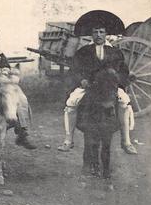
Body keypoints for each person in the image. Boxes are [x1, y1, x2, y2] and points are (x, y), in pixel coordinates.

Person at [58, 14, 137, 154]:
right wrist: (81, 80)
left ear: (106, 34)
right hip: (89, 84)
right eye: (95, 32)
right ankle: (68, 140)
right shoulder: (83, 51)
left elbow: (124, 71)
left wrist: (116, 81)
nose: (98, 35)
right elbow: (75, 70)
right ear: (91, 34)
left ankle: (126, 141)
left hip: (110, 86)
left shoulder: (115, 51)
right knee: (71, 102)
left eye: (101, 32)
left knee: (124, 102)